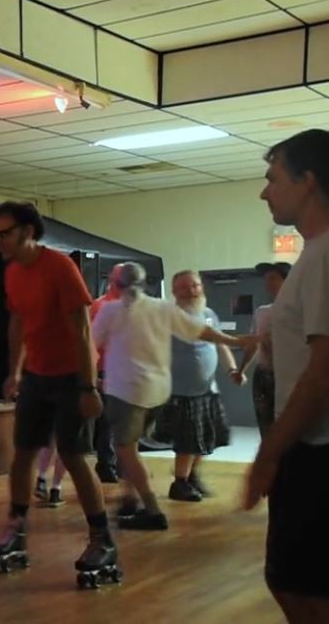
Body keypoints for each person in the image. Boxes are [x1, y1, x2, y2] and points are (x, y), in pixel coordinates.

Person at [0, 201, 119, 588]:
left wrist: (88, 386)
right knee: (23, 454)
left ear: (28, 231)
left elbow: (81, 329)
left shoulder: (59, 267)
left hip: (71, 375)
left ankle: (101, 539)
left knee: (75, 456)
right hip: (37, 376)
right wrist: (14, 371)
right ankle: (17, 530)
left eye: (3, 233)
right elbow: (18, 322)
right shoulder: (12, 272)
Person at [92, 262, 250, 531]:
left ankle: (150, 508)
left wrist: (85, 383)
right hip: (159, 391)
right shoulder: (162, 307)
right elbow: (199, 331)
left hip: (127, 391)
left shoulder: (111, 310)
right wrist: (238, 342)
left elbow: (90, 345)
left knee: (127, 450)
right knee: (132, 451)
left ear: (114, 285)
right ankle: (132, 499)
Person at [243, 129, 329, 623]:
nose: (264, 191)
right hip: (309, 451)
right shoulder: (312, 257)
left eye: (272, 178)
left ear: (308, 181)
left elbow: (320, 375)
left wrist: (268, 454)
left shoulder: (322, 258)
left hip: (316, 453)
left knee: (299, 585)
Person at [157, 270, 240, 501]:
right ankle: (179, 484)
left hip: (208, 391)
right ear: (174, 292)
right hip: (181, 392)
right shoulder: (168, 317)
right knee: (187, 442)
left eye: (195, 285)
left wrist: (232, 369)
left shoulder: (209, 314)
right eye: (184, 287)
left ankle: (192, 476)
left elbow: (222, 345)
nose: (191, 291)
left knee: (208, 437)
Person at [235, 261, 290, 436]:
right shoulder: (261, 312)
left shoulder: (300, 310)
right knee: (266, 426)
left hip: (288, 375)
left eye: (273, 278)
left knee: (287, 426)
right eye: (266, 279)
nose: (268, 283)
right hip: (263, 375)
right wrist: (241, 369)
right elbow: (253, 343)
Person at [90, 265, 124, 483]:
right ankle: (106, 465)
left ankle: (123, 464)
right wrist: (96, 376)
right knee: (108, 423)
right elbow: (90, 343)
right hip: (106, 371)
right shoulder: (100, 306)